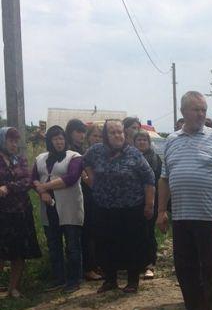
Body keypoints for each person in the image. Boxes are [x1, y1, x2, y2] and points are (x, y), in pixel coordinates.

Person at [157, 90, 212, 310]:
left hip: (209, 217)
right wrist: (161, 211)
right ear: (183, 112)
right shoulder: (171, 141)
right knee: (185, 268)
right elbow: (164, 179)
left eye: (204, 109)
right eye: (196, 109)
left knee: (210, 269)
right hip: (181, 217)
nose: (201, 114)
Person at [83, 119, 155, 294]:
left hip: (131, 208)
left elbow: (149, 178)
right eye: (113, 132)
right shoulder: (96, 151)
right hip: (104, 207)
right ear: (106, 136)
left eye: (120, 132)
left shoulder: (134, 154)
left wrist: (149, 204)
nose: (117, 135)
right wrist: (91, 179)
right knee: (105, 245)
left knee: (131, 244)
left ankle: (132, 281)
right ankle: (110, 280)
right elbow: (83, 163)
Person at [32, 125, 84, 293]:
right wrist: (42, 193)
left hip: (69, 207)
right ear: (49, 141)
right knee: (54, 245)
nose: (59, 142)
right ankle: (58, 278)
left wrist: (44, 187)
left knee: (72, 245)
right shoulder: (40, 158)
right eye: (55, 139)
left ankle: (74, 279)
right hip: (49, 208)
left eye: (61, 138)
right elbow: (33, 178)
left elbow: (71, 177)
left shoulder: (74, 157)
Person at [0, 127, 41, 298]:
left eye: (16, 140)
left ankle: (13, 288)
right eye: (11, 140)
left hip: (21, 211)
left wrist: (8, 187)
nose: (14, 144)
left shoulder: (21, 159)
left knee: (19, 251)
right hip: (2, 213)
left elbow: (28, 181)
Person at [134, 130, 162, 279]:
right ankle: (136, 263)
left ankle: (150, 263)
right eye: (138, 140)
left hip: (151, 200)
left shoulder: (155, 159)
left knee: (148, 232)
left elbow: (159, 180)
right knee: (135, 233)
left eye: (144, 140)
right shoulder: (129, 157)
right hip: (132, 202)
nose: (142, 142)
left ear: (149, 142)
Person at [81, 125, 103, 281]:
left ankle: (98, 265)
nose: (97, 139)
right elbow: (86, 180)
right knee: (88, 234)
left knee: (99, 233)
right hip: (87, 198)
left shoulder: (104, 155)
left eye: (100, 136)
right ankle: (89, 267)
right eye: (94, 136)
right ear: (88, 137)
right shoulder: (83, 156)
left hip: (102, 199)